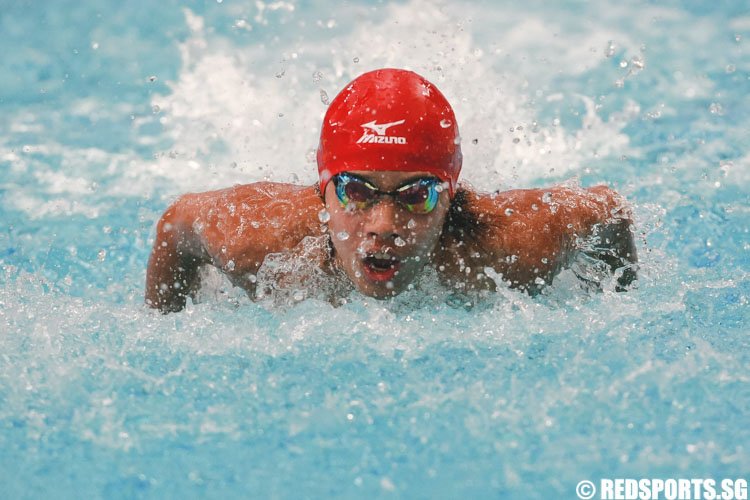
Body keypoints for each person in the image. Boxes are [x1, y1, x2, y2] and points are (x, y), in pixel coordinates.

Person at [145, 69, 637, 313]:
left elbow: (610, 210)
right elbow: (175, 222)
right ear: (323, 192)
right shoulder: (256, 241)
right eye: (356, 192)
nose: (382, 226)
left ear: (450, 198)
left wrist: (620, 297)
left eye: (416, 196)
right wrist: (161, 324)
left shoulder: (513, 249)